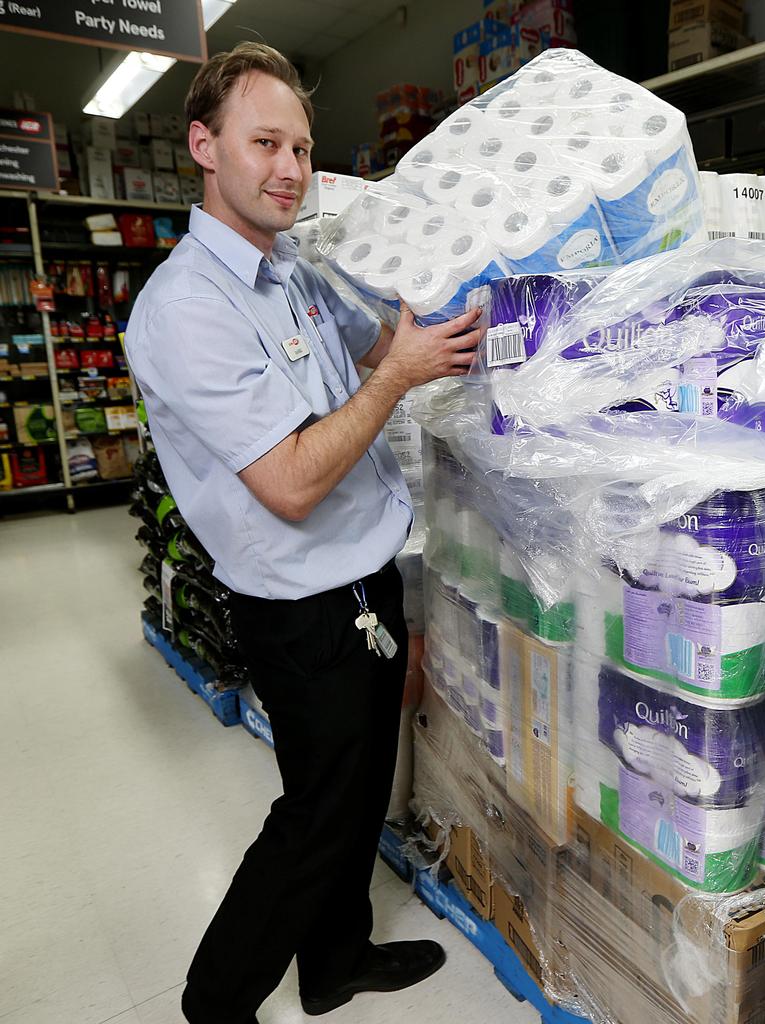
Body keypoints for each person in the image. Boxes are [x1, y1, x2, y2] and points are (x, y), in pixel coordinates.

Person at [125, 42, 482, 1024]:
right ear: (205, 144)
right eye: (265, 142)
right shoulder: (184, 310)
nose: (290, 167)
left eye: (302, 147)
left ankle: (334, 961)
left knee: (361, 785)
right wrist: (399, 373)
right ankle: (216, 998)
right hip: (299, 600)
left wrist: (468, 304)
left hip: (366, 579)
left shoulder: (292, 270)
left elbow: (382, 341)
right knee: (315, 815)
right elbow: (286, 482)